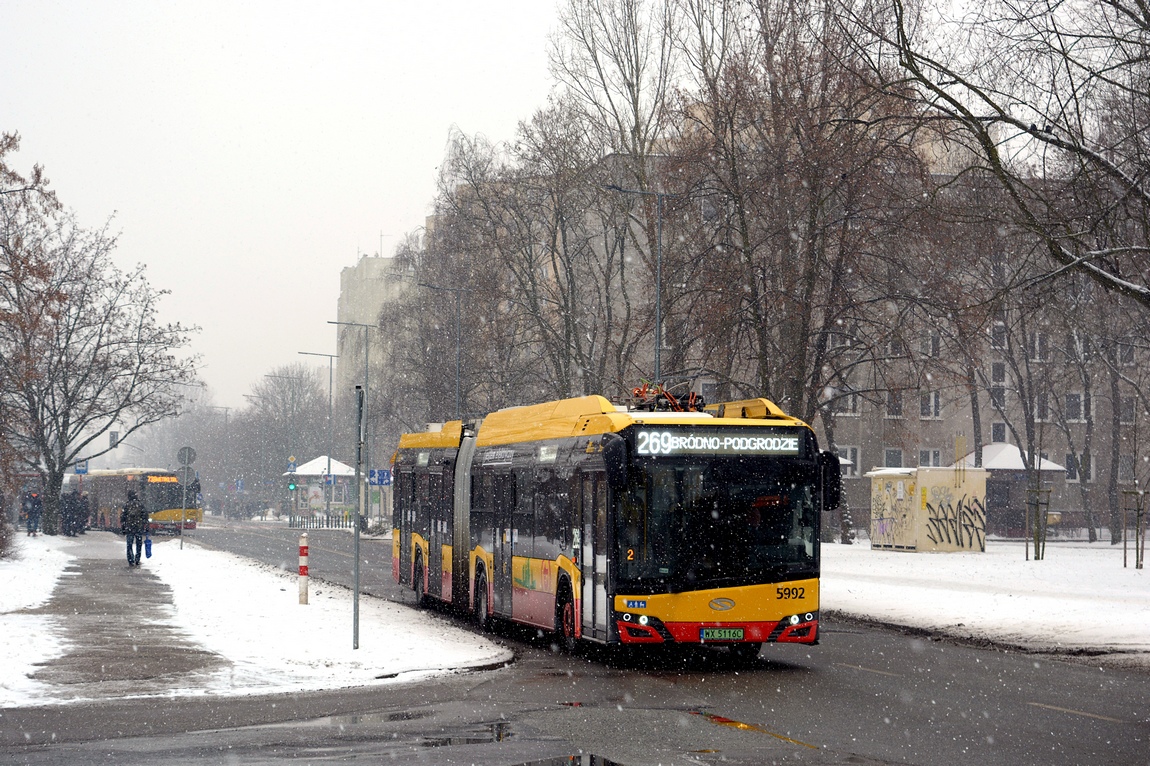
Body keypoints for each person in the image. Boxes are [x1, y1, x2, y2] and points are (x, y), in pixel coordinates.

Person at [120, 490, 148, 567]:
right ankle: (137, 559)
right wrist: (145, 526)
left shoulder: (126, 505)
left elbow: (123, 517)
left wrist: (123, 528)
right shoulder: (140, 504)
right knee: (139, 544)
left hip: (129, 528)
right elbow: (145, 516)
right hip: (138, 527)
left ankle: (130, 560)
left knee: (129, 544)